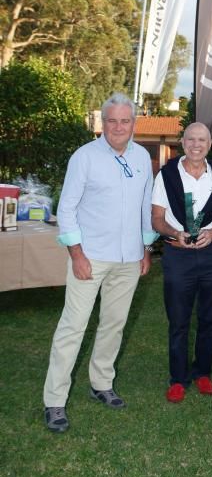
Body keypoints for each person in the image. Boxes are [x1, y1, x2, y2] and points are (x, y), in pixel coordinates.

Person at [43, 93, 157, 433]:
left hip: (128, 258)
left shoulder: (141, 157)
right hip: (89, 258)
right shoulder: (84, 157)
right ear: (102, 123)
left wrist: (146, 249)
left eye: (125, 121)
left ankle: (101, 383)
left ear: (134, 124)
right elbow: (66, 209)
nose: (118, 127)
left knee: (113, 324)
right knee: (72, 327)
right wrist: (76, 254)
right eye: (112, 121)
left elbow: (144, 206)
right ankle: (54, 401)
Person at [151, 122, 212, 403]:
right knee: (179, 320)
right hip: (177, 254)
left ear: (209, 144)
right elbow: (157, 219)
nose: (196, 145)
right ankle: (178, 378)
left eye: (202, 140)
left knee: (210, 319)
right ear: (182, 143)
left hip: (211, 255)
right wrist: (176, 233)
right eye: (191, 140)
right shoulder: (167, 175)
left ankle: (203, 372)